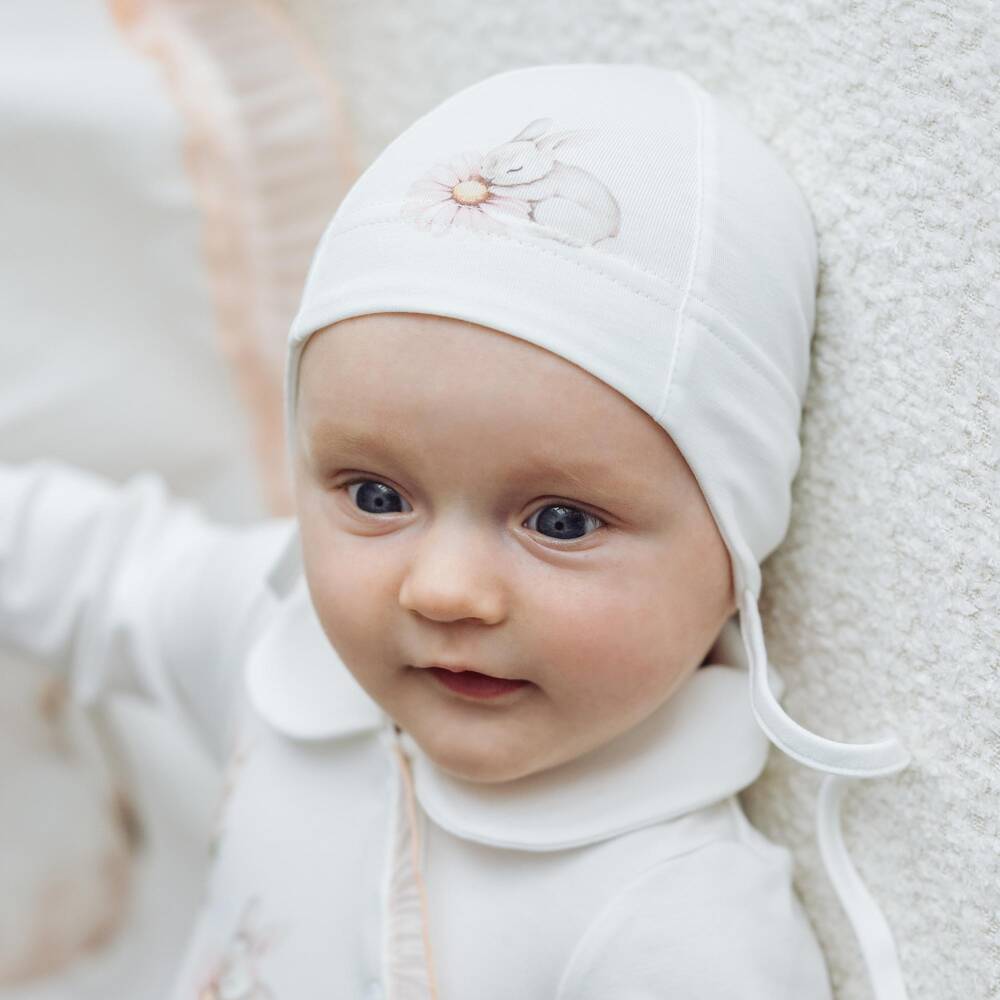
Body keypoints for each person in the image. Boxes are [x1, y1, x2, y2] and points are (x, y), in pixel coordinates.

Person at [0, 64, 911, 998]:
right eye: (376, 496)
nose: (441, 588)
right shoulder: (278, 650)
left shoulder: (679, 926)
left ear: (735, 544)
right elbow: (87, 566)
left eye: (559, 521)